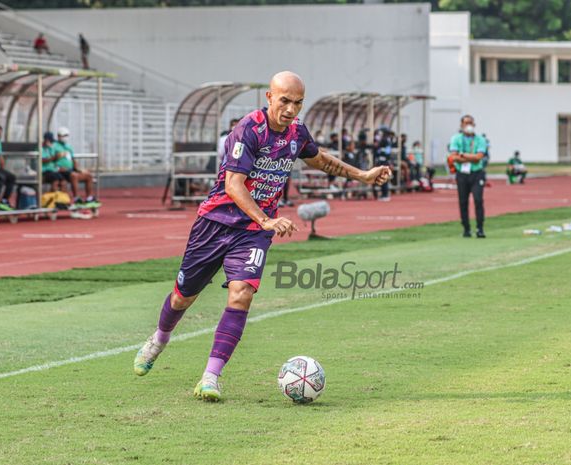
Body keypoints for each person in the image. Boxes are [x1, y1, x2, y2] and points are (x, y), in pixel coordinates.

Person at [132, 71, 391, 402]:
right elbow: (233, 185)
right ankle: (159, 339)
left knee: (241, 295)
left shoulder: (297, 133)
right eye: (284, 101)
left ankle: (210, 377)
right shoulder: (249, 129)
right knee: (183, 297)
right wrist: (267, 219)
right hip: (215, 223)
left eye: (297, 103)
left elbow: (320, 159)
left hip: (252, 233)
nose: (290, 110)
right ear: (269, 98)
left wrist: (362, 175)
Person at [449, 115, 487, 238]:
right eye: (466, 123)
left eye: (470, 123)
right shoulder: (456, 138)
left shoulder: (480, 139)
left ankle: (480, 228)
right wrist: (468, 157)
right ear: (461, 125)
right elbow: (453, 157)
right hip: (462, 174)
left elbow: (478, 158)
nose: (468, 125)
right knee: (463, 201)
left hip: (477, 173)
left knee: (478, 200)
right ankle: (466, 228)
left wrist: (462, 155)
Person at [53, 127, 100, 207]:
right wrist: (57, 165)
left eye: (67, 135)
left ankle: (89, 198)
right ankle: (76, 198)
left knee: (88, 176)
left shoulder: (68, 146)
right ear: (58, 136)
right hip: (61, 171)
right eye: (64, 135)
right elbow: (51, 159)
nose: (65, 137)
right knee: (74, 176)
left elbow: (73, 159)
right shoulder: (54, 146)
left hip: (71, 170)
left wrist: (78, 169)